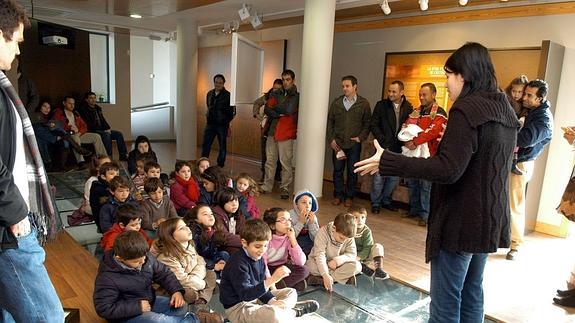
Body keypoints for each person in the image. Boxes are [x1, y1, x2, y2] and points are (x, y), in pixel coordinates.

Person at [355, 42, 519, 323]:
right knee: (472, 292)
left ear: (463, 75)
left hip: (461, 221)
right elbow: (483, 160)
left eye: (448, 76)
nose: (446, 84)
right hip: (487, 219)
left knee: (446, 301)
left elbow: (448, 170)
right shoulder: (504, 108)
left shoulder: (466, 109)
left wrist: (389, 160)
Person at [0, 1, 64, 320]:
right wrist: (16, 213)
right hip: (8, 230)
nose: (18, 52)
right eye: (16, 41)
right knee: (47, 316)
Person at [219, 219, 319, 322]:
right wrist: (272, 279)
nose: (262, 250)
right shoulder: (237, 263)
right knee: (272, 314)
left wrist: (272, 302)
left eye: (266, 245)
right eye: (257, 246)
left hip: (257, 299)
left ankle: (282, 310)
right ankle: (293, 312)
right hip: (239, 308)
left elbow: (259, 288)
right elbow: (246, 295)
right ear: (244, 243)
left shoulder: (259, 259)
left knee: (291, 292)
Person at [93, 231, 198, 322]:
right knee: (159, 320)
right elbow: (104, 308)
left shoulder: (144, 257)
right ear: (120, 258)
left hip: (149, 302)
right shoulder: (107, 278)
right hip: (126, 316)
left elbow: (164, 273)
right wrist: (138, 307)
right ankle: (197, 319)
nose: (143, 261)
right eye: (136, 261)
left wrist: (176, 291)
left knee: (180, 307)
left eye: (144, 257)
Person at [507, 79, 553, 261]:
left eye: (529, 95)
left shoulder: (543, 118)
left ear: (540, 98)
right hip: (517, 161)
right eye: (524, 93)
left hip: (522, 163)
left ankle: (516, 244)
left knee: (515, 205)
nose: (524, 97)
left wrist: (506, 134)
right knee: (509, 203)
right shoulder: (533, 112)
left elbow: (526, 139)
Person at [401, 83, 447, 226]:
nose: (421, 97)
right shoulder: (416, 111)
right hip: (414, 154)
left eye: (424, 94)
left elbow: (432, 132)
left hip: (430, 155)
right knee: (413, 183)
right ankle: (414, 210)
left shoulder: (440, 112)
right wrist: (407, 139)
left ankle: (425, 215)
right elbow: (407, 125)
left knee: (426, 186)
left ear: (433, 95)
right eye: (420, 94)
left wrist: (415, 141)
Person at [154, 218, 218, 313]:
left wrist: (196, 277)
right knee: (190, 294)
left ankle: (200, 302)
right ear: (171, 236)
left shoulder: (188, 244)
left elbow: (200, 261)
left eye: (186, 226)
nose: (188, 229)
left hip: (193, 278)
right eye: (181, 228)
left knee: (211, 275)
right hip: (175, 286)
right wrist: (200, 283)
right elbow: (180, 279)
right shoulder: (166, 256)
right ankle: (199, 301)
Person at [327, 75, 371, 207]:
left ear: (354, 87)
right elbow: (330, 122)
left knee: (352, 171)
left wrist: (360, 137)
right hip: (338, 144)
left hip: (353, 145)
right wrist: (331, 139)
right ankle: (338, 195)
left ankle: (350, 196)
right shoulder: (337, 103)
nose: (344, 88)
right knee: (338, 170)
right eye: (343, 86)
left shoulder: (363, 103)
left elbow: (367, 123)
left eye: (347, 86)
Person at [369, 80, 413, 214]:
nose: (390, 94)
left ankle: (386, 201)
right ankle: (375, 203)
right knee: (378, 177)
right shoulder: (381, 105)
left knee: (393, 179)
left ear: (401, 92)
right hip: (383, 147)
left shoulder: (408, 107)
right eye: (389, 91)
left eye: (394, 91)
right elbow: (374, 124)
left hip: (399, 148)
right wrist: (382, 139)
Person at [261, 69, 300, 200]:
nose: (285, 82)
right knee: (270, 161)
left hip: (286, 133)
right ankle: (267, 186)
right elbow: (267, 108)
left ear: (293, 80)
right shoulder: (276, 93)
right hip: (272, 131)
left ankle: (285, 188)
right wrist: (278, 113)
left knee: (285, 163)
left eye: (288, 79)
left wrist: (276, 108)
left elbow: (289, 110)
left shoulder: (296, 96)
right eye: (283, 79)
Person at [305, 213, 361, 291]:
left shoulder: (348, 234)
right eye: (341, 238)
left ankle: (320, 281)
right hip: (319, 262)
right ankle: (340, 278)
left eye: (346, 239)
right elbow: (319, 255)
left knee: (357, 266)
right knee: (310, 267)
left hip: (337, 265)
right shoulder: (322, 232)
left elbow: (352, 254)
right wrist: (325, 274)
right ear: (334, 228)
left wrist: (337, 261)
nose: (343, 241)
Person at [52, 96, 108, 168]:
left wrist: (79, 133)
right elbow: (57, 125)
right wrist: (70, 128)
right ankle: (80, 162)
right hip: (67, 135)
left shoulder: (75, 113)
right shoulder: (59, 112)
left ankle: (103, 159)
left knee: (96, 136)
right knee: (75, 138)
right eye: (69, 103)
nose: (72, 105)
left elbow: (84, 126)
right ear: (64, 103)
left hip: (78, 134)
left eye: (73, 104)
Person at [263, 208, 309, 291]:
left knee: (305, 270)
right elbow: (263, 265)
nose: (288, 223)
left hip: (282, 266)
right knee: (260, 274)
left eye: (289, 220)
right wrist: (270, 278)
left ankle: (279, 284)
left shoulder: (288, 236)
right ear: (272, 226)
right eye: (283, 220)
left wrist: (293, 239)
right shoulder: (266, 238)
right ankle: (278, 285)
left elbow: (300, 262)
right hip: (267, 268)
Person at [77, 91, 128, 160]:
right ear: (86, 100)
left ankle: (123, 155)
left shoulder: (98, 108)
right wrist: (104, 131)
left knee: (118, 134)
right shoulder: (83, 110)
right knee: (106, 135)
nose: (93, 100)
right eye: (91, 98)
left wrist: (108, 128)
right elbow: (88, 124)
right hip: (92, 130)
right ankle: (108, 157)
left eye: (94, 98)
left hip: (102, 130)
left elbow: (103, 120)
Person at [183, 204, 230, 274]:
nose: (210, 216)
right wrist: (214, 266)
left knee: (224, 255)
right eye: (205, 214)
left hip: (208, 260)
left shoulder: (213, 230)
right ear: (196, 219)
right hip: (197, 264)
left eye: (211, 213)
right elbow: (194, 257)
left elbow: (213, 252)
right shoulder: (193, 232)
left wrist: (219, 260)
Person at [201, 74, 235, 168]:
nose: (218, 84)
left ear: (223, 83)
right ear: (214, 82)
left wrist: (225, 121)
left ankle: (220, 165)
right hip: (210, 124)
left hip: (222, 125)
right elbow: (208, 105)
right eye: (216, 82)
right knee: (206, 144)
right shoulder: (209, 93)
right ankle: (203, 164)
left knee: (222, 147)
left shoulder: (228, 96)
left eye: (220, 83)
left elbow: (232, 112)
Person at [253, 78, 284, 181]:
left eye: (278, 89)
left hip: (279, 128)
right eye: (274, 88)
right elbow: (256, 103)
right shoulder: (267, 96)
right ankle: (265, 174)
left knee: (279, 153)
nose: (276, 90)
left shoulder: (284, 98)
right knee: (265, 152)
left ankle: (277, 175)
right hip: (266, 127)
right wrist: (257, 115)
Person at [348, 206, 389, 280]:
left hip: (365, 255)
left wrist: (359, 257)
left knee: (378, 246)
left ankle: (378, 269)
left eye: (362, 217)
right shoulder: (348, 229)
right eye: (356, 217)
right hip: (352, 255)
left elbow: (368, 247)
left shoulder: (366, 231)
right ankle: (363, 267)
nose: (360, 220)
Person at [504, 75, 530, 175]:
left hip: (516, 130)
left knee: (516, 145)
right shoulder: (507, 99)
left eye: (520, 92)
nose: (516, 94)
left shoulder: (524, 104)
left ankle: (513, 163)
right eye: (514, 91)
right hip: (508, 127)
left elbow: (524, 114)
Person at [90, 161, 120, 232]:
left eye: (117, 174)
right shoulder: (98, 188)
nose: (116, 176)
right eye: (112, 174)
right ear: (103, 176)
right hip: (105, 222)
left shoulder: (112, 186)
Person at [288, 189, 320, 255]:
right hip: (295, 239)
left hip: (308, 240)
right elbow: (290, 237)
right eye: (304, 202)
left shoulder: (312, 217)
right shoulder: (290, 215)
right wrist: (301, 222)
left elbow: (316, 238)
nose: (307, 206)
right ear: (296, 204)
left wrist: (312, 224)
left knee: (318, 246)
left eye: (310, 203)